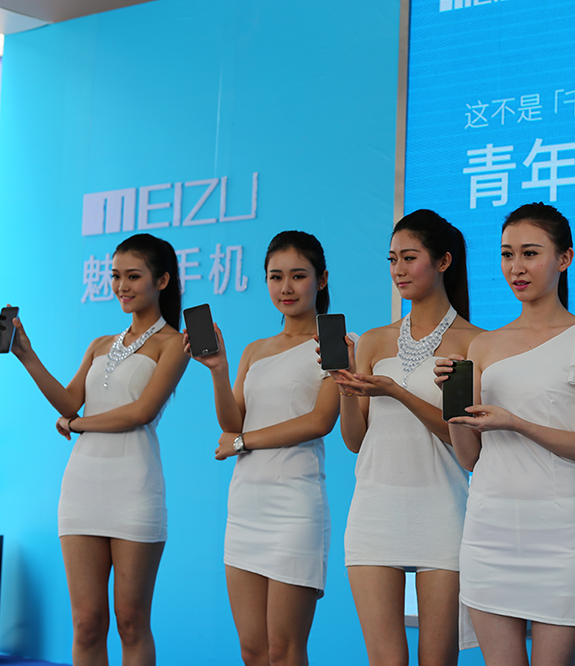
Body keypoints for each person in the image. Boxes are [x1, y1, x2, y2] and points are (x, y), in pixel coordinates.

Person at [436, 202, 575, 666]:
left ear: (565, 258)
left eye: (530, 253)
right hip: (489, 530)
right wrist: (451, 405)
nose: (516, 267)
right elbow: (470, 458)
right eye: (507, 254)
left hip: (558, 533)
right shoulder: (482, 344)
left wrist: (515, 422)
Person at [9, 233, 188, 665]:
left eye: (134, 276)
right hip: (82, 487)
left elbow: (140, 412)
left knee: (131, 622)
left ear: (162, 280)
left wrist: (76, 424)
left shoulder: (174, 344)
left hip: (135, 489)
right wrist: (25, 354)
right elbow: (69, 401)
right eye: (115, 275)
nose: (122, 286)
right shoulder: (100, 344)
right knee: (87, 622)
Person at [336, 209, 482, 666]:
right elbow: (355, 440)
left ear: (443, 261)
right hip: (373, 511)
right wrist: (344, 385)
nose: (398, 269)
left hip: (443, 510)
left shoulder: (474, 342)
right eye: (392, 259)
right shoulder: (373, 342)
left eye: (409, 257)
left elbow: (465, 442)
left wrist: (397, 392)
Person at [186, 231, 338, 666]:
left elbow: (320, 422)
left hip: (295, 505)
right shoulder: (255, 350)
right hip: (246, 505)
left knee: (284, 650)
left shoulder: (335, 341)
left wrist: (243, 442)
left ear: (322, 279)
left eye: (298, 276)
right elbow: (232, 422)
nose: (286, 287)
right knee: (253, 651)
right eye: (276, 277)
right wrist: (218, 369)